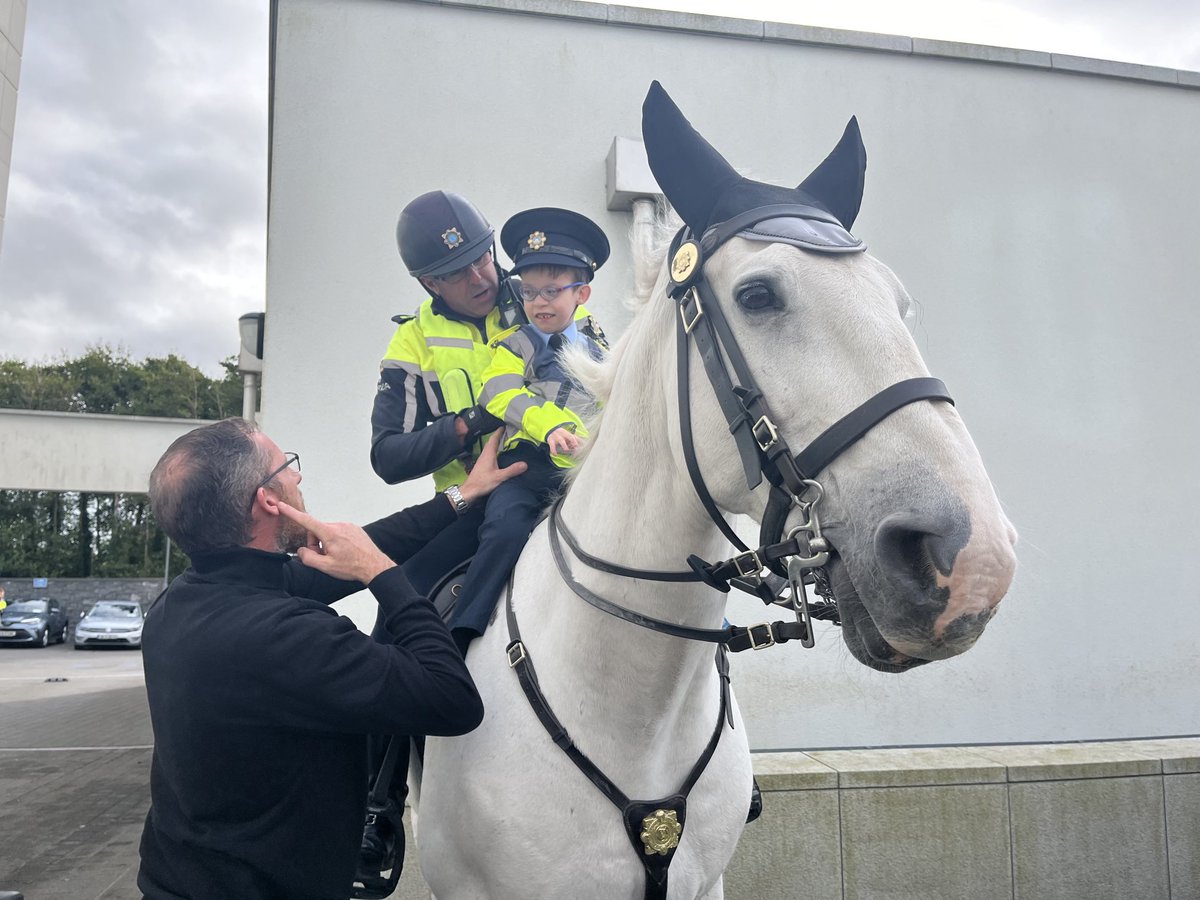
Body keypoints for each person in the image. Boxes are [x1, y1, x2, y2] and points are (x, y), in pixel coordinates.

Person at [136, 418, 523, 900]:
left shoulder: (181, 603)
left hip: (181, 878)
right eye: (287, 467)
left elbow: (350, 553)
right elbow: (451, 699)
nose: (298, 477)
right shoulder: (289, 638)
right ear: (268, 500)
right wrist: (382, 575)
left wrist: (461, 496)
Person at [369, 190, 606, 592]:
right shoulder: (412, 341)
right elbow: (388, 457)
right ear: (430, 283)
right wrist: (469, 425)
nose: (479, 277)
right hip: (473, 503)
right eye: (457, 271)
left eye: (481, 258)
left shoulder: (548, 299)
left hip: (566, 477)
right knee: (404, 595)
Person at [445, 207, 610, 652]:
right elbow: (498, 394)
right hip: (524, 466)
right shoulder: (515, 343)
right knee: (504, 530)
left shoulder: (601, 353)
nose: (539, 302)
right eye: (530, 291)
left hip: (581, 471)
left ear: (582, 293)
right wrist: (548, 423)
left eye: (552, 291)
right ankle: (463, 631)